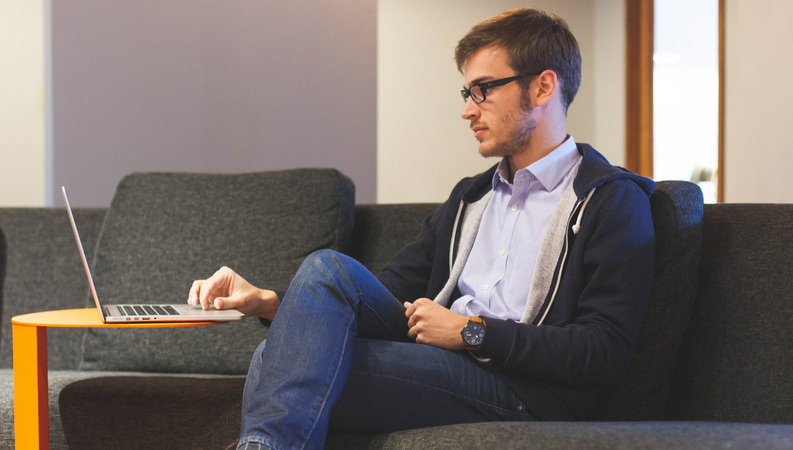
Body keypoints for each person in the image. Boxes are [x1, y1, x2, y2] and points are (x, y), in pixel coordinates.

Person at [189, 8, 655, 450]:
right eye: (466, 93)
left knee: (275, 360)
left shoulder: (609, 200)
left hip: (523, 391)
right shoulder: (471, 198)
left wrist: (470, 332)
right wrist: (273, 303)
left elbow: (603, 350)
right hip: (443, 362)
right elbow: (383, 293)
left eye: (483, 90)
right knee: (326, 272)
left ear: (542, 87)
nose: (468, 111)